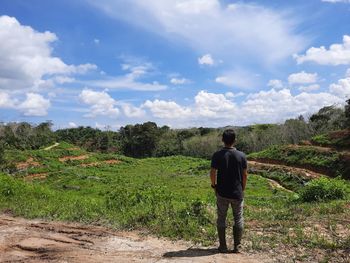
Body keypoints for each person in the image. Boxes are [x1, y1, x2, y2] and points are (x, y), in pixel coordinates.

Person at [210, 129, 248, 253]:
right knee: (238, 218)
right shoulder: (242, 156)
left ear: (222, 140)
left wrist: (214, 185)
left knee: (221, 218)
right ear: (235, 140)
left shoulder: (217, 155)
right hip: (237, 192)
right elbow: (245, 175)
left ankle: (223, 246)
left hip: (222, 192)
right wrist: (242, 188)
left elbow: (212, 172)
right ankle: (237, 246)